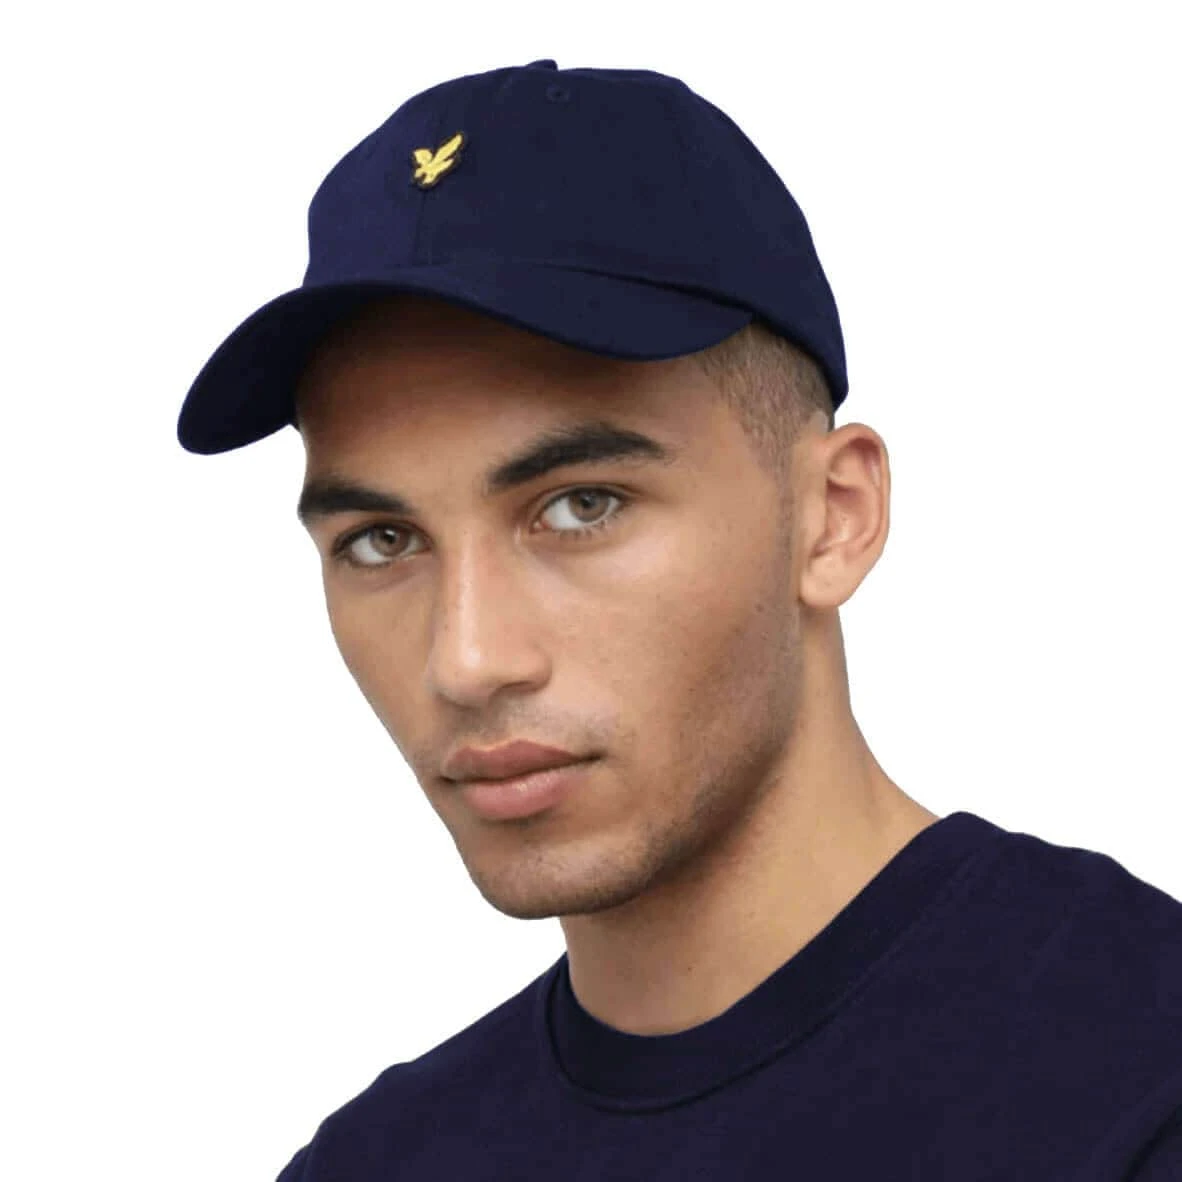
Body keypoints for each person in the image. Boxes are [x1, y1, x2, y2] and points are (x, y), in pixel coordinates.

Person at [176, 60, 1182, 1180]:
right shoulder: (371, 1164)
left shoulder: (1139, 1078)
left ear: (833, 518)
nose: (467, 660)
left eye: (581, 507)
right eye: (381, 540)